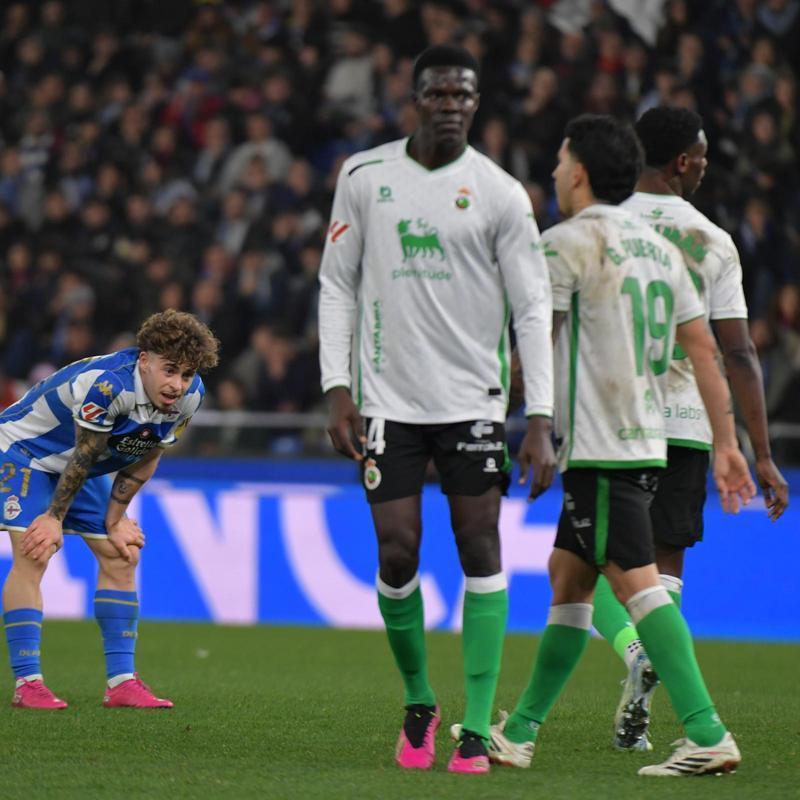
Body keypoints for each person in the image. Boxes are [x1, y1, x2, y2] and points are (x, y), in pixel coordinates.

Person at [468, 115, 755, 777]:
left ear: (582, 172)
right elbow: (705, 351)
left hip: (597, 445)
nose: (553, 172)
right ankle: (522, 732)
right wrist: (727, 442)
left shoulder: (565, 245)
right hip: (645, 437)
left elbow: (537, 343)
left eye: (561, 160)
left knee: (638, 586)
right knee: (568, 580)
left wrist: (508, 414)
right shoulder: (663, 250)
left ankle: (708, 732)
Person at [318, 44, 556, 775]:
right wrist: (337, 386)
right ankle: (420, 701)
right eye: (438, 93)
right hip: (388, 401)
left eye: (463, 96)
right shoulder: (364, 176)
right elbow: (338, 284)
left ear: (475, 104)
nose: (450, 105)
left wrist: (540, 416)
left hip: (475, 404)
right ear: (414, 97)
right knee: (396, 552)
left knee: (480, 544)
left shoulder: (500, 192)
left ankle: (478, 728)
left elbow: (532, 306)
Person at [590, 105, 790, 751]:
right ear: (682, 161)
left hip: (613, 423)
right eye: (702, 154)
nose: (705, 164)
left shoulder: (603, 226)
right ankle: (655, 688)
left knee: (592, 571)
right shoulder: (711, 241)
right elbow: (739, 355)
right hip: (687, 425)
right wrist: (760, 453)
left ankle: (634, 655)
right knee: (663, 576)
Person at [0, 310, 219, 710]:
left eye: (185, 374)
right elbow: (84, 453)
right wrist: (53, 518)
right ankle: (27, 682)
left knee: (120, 553)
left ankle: (122, 683)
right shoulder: (108, 386)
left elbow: (148, 455)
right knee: (35, 551)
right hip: (26, 452)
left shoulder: (190, 395)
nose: (178, 384)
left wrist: (116, 518)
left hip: (85, 461)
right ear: (144, 359)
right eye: (170, 370)